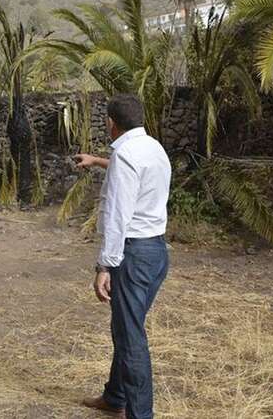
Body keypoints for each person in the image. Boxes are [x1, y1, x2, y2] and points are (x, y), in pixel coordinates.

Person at [75, 94, 171, 419]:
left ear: (111, 123)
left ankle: (139, 414)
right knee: (127, 327)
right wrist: (99, 161)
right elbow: (132, 173)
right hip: (156, 251)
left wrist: (105, 265)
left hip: (133, 254)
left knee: (131, 339)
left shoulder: (126, 155)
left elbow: (117, 216)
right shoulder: (153, 148)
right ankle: (115, 397)